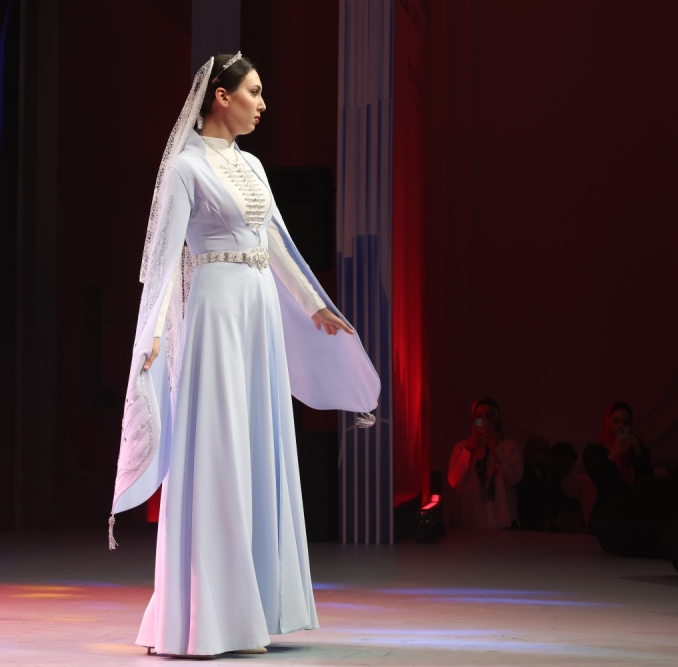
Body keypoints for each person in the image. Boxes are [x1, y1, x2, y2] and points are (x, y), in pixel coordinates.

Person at [109, 53, 380, 658]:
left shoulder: (252, 165)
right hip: (216, 312)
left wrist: (313, 303)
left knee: (256, 445)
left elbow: (274, 241)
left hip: (257, 314)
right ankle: (206, 616)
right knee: (218, 449)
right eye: (253, 92)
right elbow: (162, 260)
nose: (262, 104)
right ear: (221, 97)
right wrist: (154, 334)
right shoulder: (185, 169)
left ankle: (251, 607)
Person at [447, 397, 523, 529]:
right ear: (474, 420)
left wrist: (496, 450)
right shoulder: (461, 448)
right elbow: (454, 482)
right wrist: (468, 451)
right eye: (479, 417)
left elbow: (514, 478)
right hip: (470, 522)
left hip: (502, 521)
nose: (484, 420)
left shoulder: (510, 447)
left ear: (497, 418)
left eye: (489, 415)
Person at [583, 402, 653, 517]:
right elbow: (602, 482)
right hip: (607, 511)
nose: (621, 427)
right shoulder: (594, 451)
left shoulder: (639, 450)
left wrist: (637, 451)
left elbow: (647, 480)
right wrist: (614, 453)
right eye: (616, 422)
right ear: (608, 423)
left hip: (634, 511)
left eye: (626, 423)